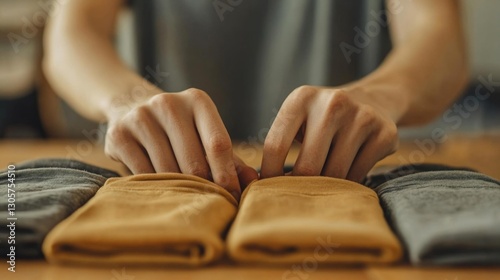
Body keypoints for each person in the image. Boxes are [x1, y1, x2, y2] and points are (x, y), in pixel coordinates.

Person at [43, 0, 468, 199]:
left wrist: (380, 95)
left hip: (349, 185)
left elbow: (439, 33)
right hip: (169, 183)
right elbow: (70, 35)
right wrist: (125, 101)